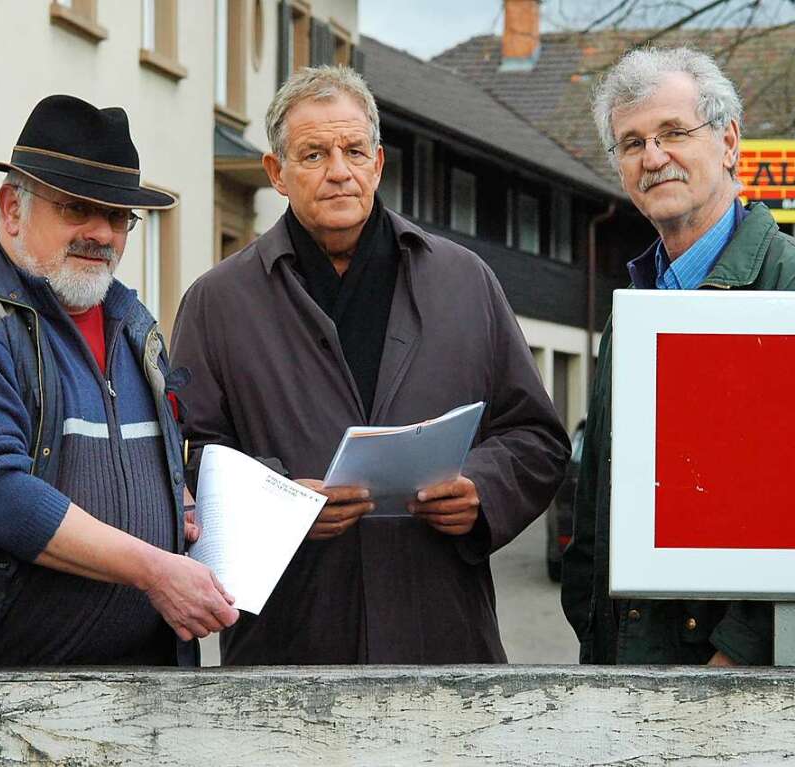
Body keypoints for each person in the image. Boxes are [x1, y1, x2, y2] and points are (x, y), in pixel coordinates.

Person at [171, 66, 570, 665]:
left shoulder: (464, 282)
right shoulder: (219, 300)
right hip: (292, 637)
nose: (339, 171)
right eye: (313, 154)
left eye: (354, 150)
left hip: (440, 628)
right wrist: (280, 505)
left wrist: (481, 491)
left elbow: (536, 437)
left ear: (378, 164)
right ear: (276, 173)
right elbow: (193, 451)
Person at [0, 95, 238, 669]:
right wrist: (155, 570)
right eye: (78, 209)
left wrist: (167, 496)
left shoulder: (131, 325)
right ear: (12, 209)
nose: (102, 234)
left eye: (119, 217)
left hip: (136, 693)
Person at [561, 47, 795, 666]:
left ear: (729, 142)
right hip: (628, 664)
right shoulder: (637, 302)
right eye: (631, 143)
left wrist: (737, 655)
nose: (652, 157)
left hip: (735, 680)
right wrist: (591, 630)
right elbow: (600, 495)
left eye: (672, 133)